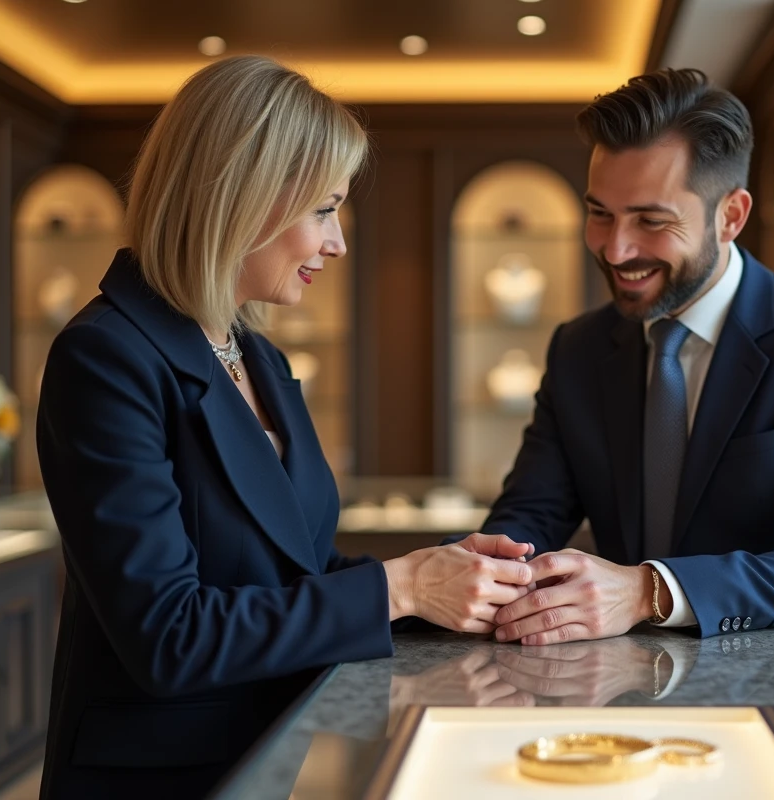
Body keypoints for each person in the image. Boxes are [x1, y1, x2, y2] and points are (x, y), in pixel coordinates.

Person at [35, 56, 532, 799]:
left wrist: (441, 576)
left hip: (265, 759)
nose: (336, 243)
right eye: (324, 210)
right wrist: (399, 588)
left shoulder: (257, 356)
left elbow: (293, 571)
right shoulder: (106, 357)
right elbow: (169, 635)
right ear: (241, 197)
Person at [472, 68, 774, 645]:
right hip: (630, 684)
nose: (615, 248)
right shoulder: (577, 348)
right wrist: (485, 572)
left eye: (651, 221)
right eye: (600, 213)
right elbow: (531, 514)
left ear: (732, 216)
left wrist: (649, 590)